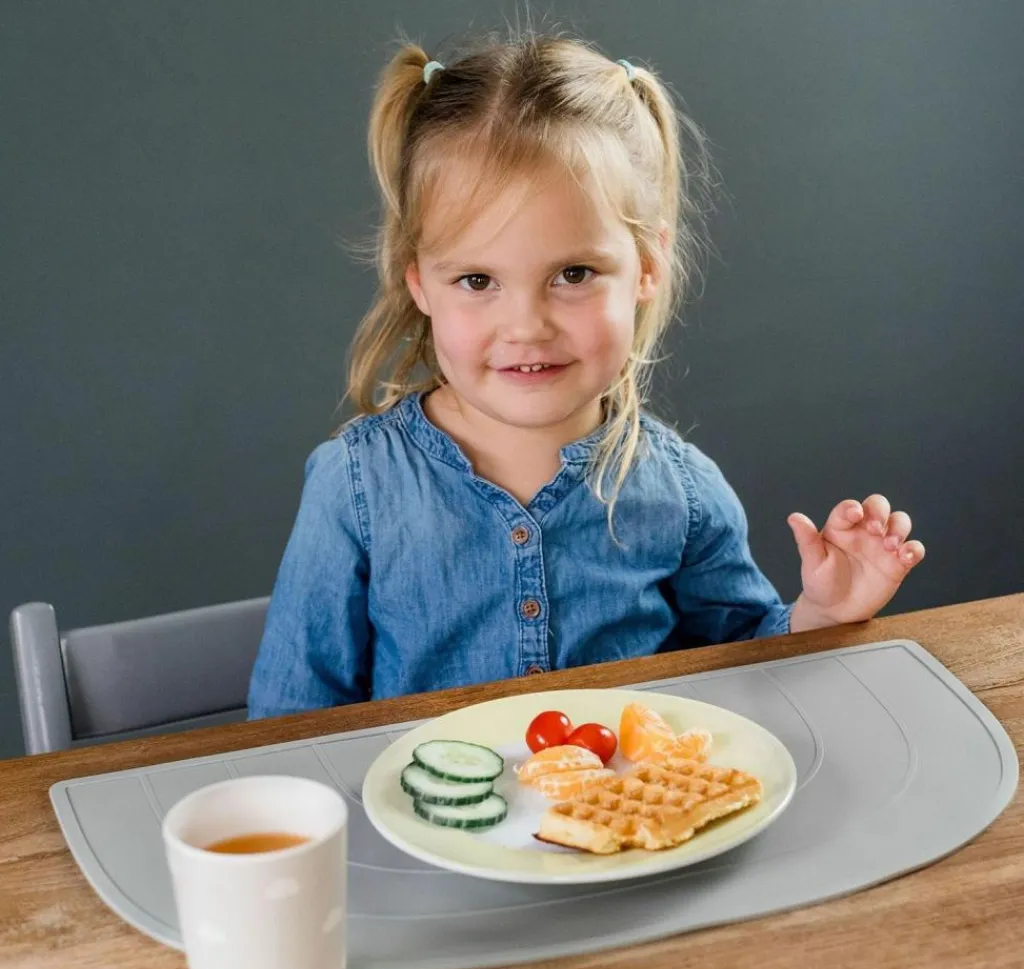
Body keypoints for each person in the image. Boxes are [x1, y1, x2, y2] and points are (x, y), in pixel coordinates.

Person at [247, 33, 924, 720]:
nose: (526, 326)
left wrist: (820, 615)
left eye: (573, 274)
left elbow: (744, 676)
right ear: (419, 281)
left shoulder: (685, 496)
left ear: (647, 265)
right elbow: (288, 720)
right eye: (477, 280)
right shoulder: (355, 487)